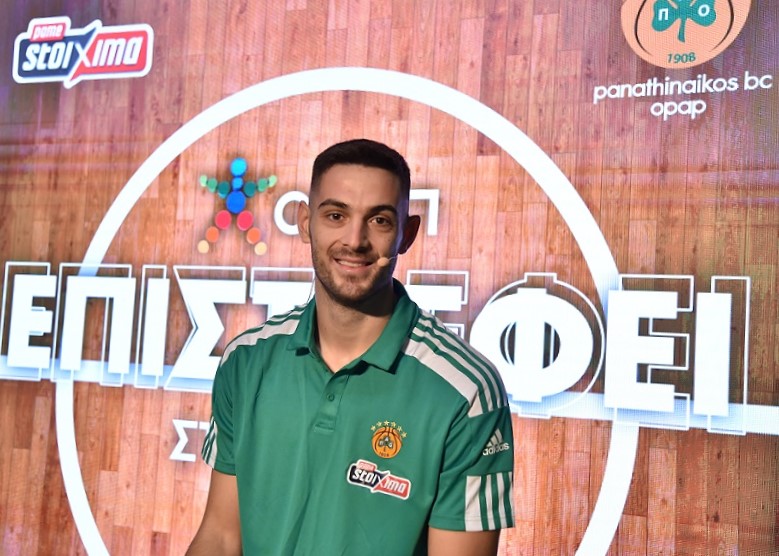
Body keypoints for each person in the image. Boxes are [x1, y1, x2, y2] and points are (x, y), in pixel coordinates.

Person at [187, 139, 515, 555]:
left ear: (407, 233)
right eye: (336, 215)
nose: (355, 240)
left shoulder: (465, 390)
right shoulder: (246, 361)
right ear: (305, 222)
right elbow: (220, 537)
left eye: (379, 220)